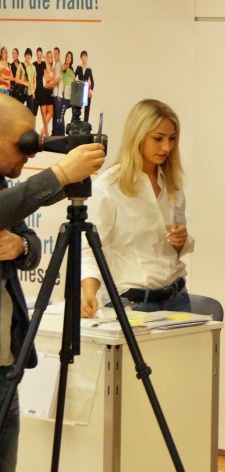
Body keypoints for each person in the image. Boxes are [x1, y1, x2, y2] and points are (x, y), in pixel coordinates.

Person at [0, 96, 104, 469]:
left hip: (4, 362)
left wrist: (20, 246)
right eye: (22, 143)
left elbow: (29, 243)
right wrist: (59, 173)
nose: (30, 152)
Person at [80, 99, 194, 317]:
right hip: (132, 304)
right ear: (137, 136)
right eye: (158, 138)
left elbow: (175, 244)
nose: (166, 147)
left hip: (177, 299)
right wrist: (89, 292)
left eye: (172, 138)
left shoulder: (173, 182)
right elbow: (89, 248)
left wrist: (181, 241)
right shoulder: (108, 187)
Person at [39, 50, 57, 138]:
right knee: (50, 113)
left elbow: (52, 81)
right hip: (46, 91)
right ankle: (44, 130)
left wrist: (53, 77)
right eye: (48, 57)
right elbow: (46, 79)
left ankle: (45, 133)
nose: (50, 58)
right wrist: (53, 76)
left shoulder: (53, 68)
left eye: (51, 57)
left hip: (50, 91)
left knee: (48, 114)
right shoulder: (45, 68)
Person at [75, 50, 95, 122]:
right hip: (80, 89)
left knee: (87, 108)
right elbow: (74, 76)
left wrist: (90, 91)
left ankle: (86, 123)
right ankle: (76, 123)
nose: (83, 58)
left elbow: (92, 82)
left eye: (84, 56)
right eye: (82, 57)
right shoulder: (79, 67)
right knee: (77, 109)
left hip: (86, 90)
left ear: (87, 57)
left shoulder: (89, 69)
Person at [22, 48, 37, 116]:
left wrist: (33, 91)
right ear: (25, 55)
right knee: (20, 111)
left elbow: (35, 81)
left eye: (29, 55)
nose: (28, 56)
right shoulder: (21, 65)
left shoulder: (33, 67)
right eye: (27, 55)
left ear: (31, 56)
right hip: (22, 91)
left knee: (30, 113)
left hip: (30, 92)